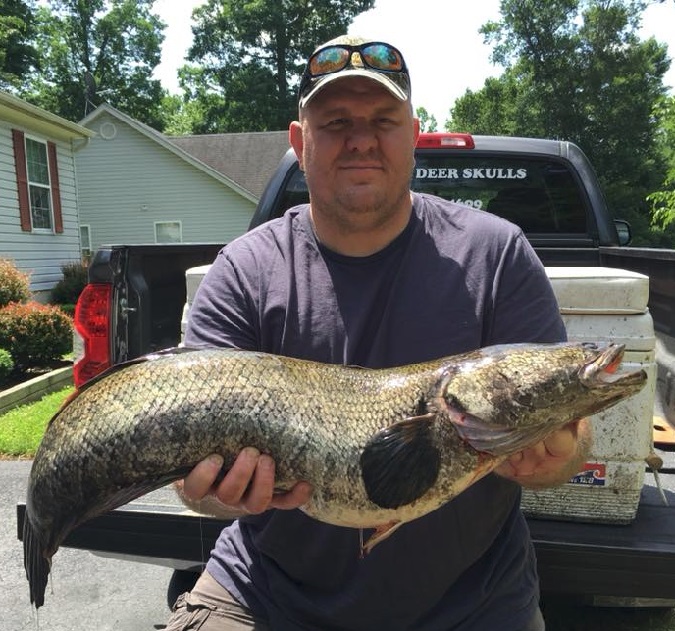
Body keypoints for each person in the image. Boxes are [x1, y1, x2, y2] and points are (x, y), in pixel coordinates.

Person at [165, 34, 591, 631]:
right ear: (299, 141)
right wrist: (213, 490)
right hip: (266, 594)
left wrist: (556, 456)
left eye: (382, 120)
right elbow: (193, 484)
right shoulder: (245, 271)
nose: (360, 139)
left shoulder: (496, 255)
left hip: (473, 603)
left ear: (413, 134)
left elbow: (572, 442)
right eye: (336, 120)